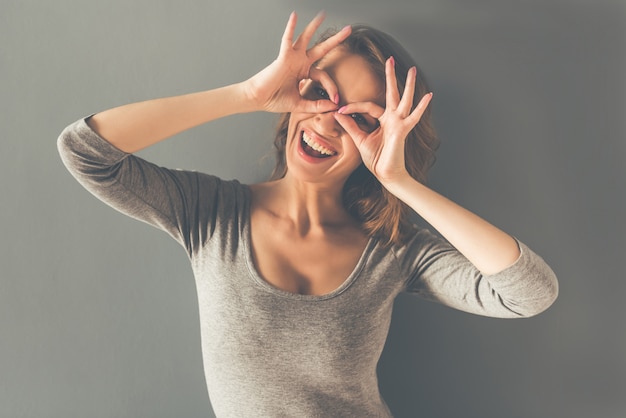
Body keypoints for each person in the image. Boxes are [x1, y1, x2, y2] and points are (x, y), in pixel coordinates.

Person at [58, 11, 558, 418]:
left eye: (360, 117)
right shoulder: (210, 213)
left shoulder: (395, 250)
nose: (327, 121)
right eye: (319, 92)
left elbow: (529, 293)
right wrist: (247, 96)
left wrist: (400, 182)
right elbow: (85, 152)